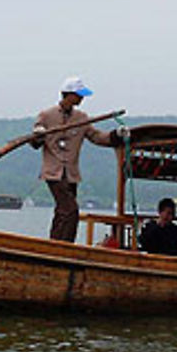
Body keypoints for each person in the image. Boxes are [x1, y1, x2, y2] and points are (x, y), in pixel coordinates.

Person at [31, 76, 124, 242]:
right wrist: (38, 135)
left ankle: (57, 243)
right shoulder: (46, 115)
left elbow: (97, 137)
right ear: (68, 95)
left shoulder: (81, 118)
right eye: (79, 95)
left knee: (62, 211)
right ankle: (64, 245)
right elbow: (35, 143)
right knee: (70, 210)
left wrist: (116, 136)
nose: (82, 98)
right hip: (53, 172)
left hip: (71, 174)